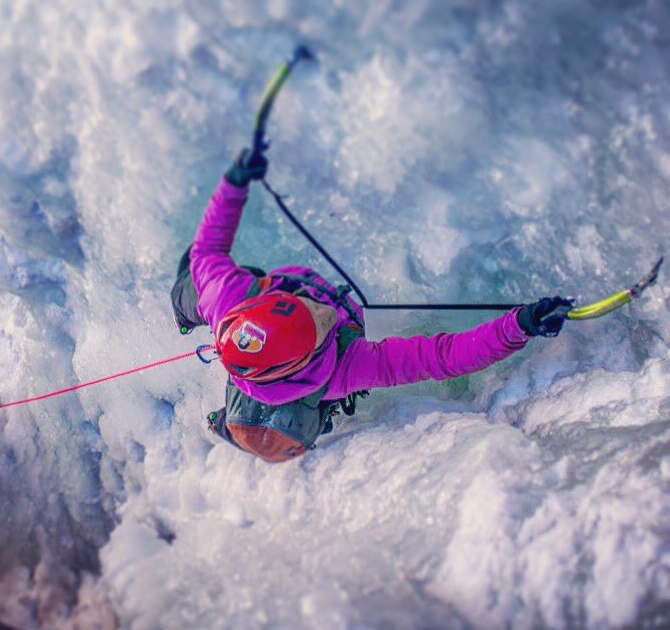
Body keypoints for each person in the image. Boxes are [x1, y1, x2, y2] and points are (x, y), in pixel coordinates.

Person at [171, 147, 572, 462]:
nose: (324, 312)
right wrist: (521, 326)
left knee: (197, 278)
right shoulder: (346, 367)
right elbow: (443, 358)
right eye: (319, 326)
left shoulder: (231, 297)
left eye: (305, 309)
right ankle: (229, 424)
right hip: (291, 427)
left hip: (250, 368)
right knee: (281, 422)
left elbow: (208, 249)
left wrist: (235, 183)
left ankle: (221, 411)